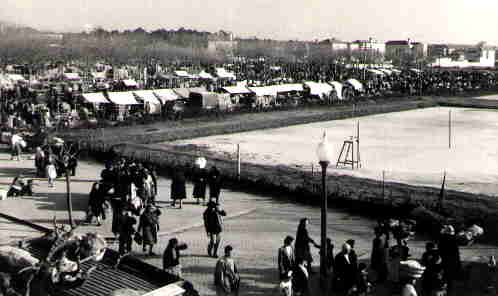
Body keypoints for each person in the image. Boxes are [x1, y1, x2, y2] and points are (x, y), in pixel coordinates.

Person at [438, 225, 461, 295]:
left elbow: (440, 250)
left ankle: (444, 290)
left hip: (444, 260)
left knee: (444, 277)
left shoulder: (442, 239)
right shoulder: (454, 239)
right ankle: (448, 291)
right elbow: (456, 253)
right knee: (449, 279)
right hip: (452, 261)